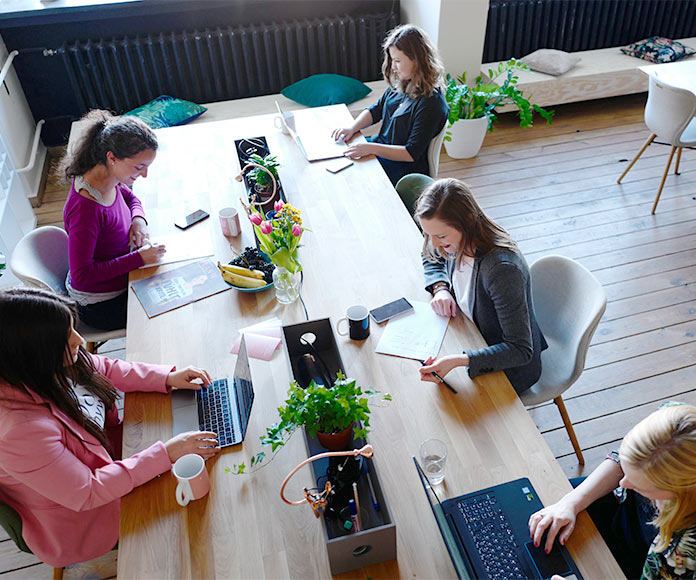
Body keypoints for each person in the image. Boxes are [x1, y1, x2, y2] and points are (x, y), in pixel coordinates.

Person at [0, 287, 219, 568]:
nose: (81, 339)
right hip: (86, 518)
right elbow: (87, 491)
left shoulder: (45, 363)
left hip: (115, 456)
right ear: (34, 353)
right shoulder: (19, 432)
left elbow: (105, 367)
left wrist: (167, 377)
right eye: (67, 337)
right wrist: (166, 453)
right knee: (203, 524)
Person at [529, 403, 696, 580]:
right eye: (626, 470)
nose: (623, 483)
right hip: (617, 511)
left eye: (640, 486)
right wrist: (570, 502)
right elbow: (623, 458)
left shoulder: (687, 552)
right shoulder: (676, 422)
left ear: (678, 494)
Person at [416, 178, 547, 394]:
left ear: (467, 220)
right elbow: (430, 254)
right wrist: (441, 288)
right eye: (429, 234)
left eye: (440, 236)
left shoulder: (501, 270)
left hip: (508, 367)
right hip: (470, 334)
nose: (435, 243)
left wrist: (461, 360)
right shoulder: (456, 237)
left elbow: (520, 350)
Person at [61, 110, 166, 331]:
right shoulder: (85, 210)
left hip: (124, 274)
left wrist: (138, 219)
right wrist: (138, 258)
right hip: (102, 304)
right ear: (112, 157)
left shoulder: (107, 176)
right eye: (139, 167)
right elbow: (83, 275)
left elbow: (129, 196)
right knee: (169, 312)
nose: (145, 174)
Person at [332, 24, 448, 185]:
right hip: (381, 148)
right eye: (392, 60)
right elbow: (376, 110)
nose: (393, 67)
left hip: (403, 168)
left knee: (351, 174)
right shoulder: (402, 84)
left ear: (417, 59)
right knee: (340, 154)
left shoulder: (431, 103)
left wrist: (370, 148)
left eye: (398, 61)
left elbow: (410, 153)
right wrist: (352, 128)